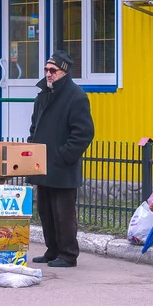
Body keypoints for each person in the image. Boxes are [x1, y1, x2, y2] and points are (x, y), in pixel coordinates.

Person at [27, 50, 94, 268]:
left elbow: (84, 133)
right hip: (43, 165)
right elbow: (34, 126)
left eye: (52, 70)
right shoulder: (43, 95)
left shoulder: (76, 96)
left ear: (64, 71)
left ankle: (68, 254)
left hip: (63, 167)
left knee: (63, 214)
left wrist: (64, 155)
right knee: (45, 212)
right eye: (46, 70)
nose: (48, 74)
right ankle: (52, 250)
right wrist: (32, 147)